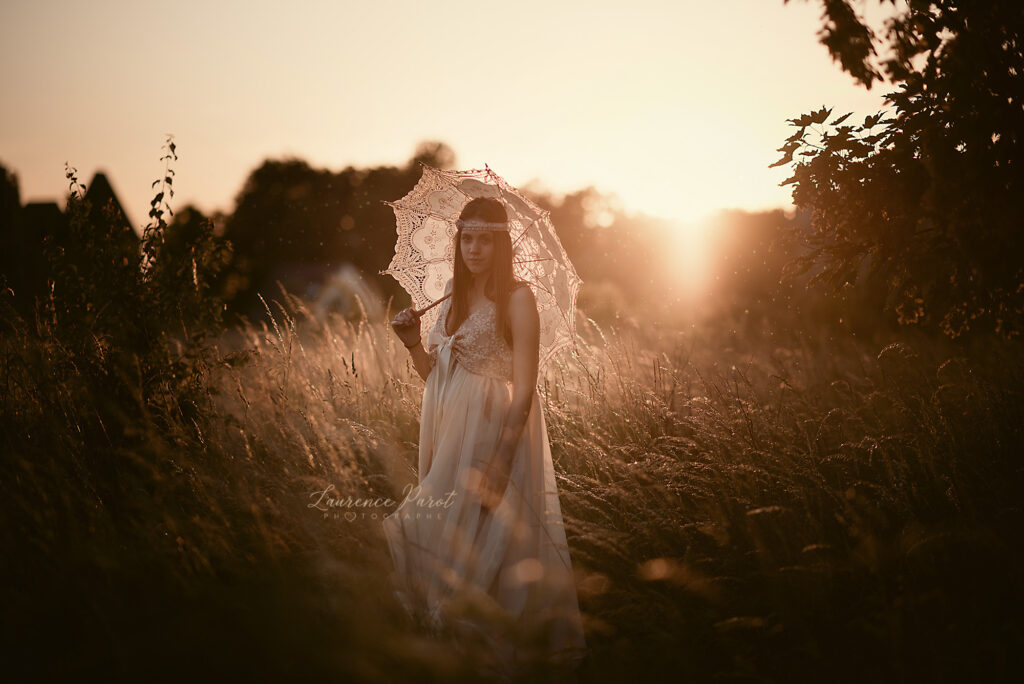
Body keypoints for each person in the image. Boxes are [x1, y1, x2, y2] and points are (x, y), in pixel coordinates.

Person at [383, 197, 586, 677]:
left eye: (484, 239)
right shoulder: (451, 292)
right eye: (466, 238)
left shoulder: (519, 299)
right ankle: (452, 650)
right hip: (449, 424)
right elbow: (436, 375)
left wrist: (501, 462)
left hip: (490, 430)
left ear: (501, 243)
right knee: (444, 530)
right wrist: (413, 343)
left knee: (454, 529)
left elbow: (526, 389)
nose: (474, 248)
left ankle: (491, 649)